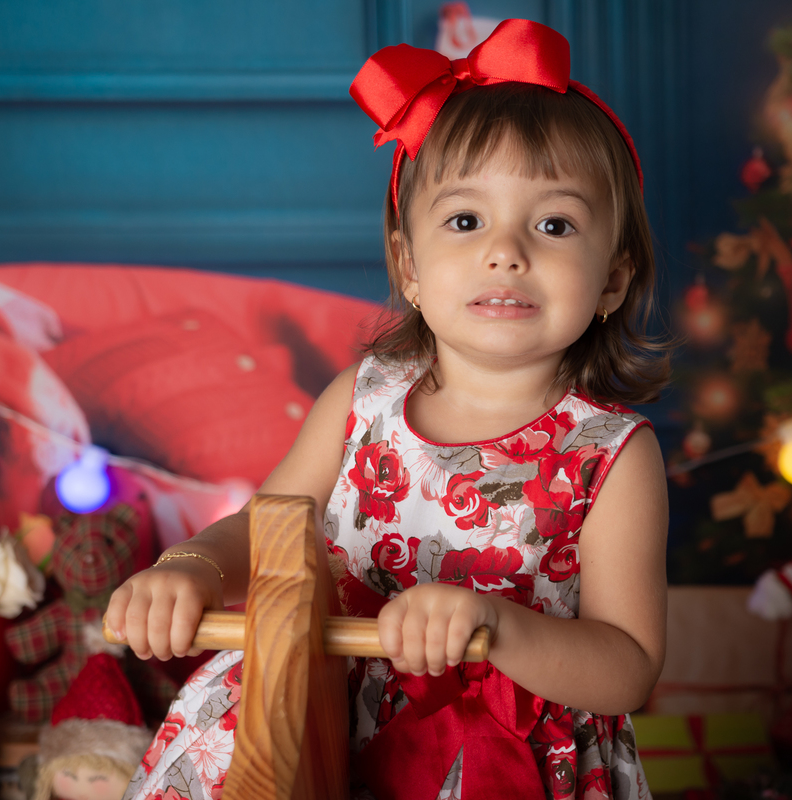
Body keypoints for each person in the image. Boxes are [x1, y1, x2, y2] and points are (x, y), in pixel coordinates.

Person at [106, 19, 670, 800]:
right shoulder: (362, 399)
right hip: (317, 712)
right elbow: (273, 528)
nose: (506, 251)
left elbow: (628, 667)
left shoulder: (610, 454)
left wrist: (495, 627)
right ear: (409, 262)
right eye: (466, 220)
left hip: (497, 761)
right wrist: (191, 567)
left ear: (612, 279)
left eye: (554, 224)